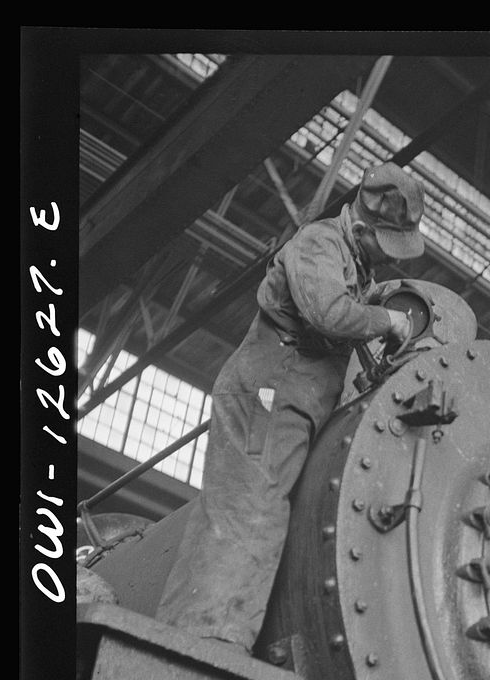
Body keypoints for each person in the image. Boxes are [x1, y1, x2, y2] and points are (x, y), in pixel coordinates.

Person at [156, 163, 425, 653]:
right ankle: (207, 642)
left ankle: (211, 634)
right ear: (361, 227)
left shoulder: (356, 266)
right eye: (383, 248)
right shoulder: (319, 244)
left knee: (264, 509)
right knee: (250, 511)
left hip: (293, 403)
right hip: (269, 394)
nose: (386, 261)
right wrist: (386, 318)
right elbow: (328, 312)